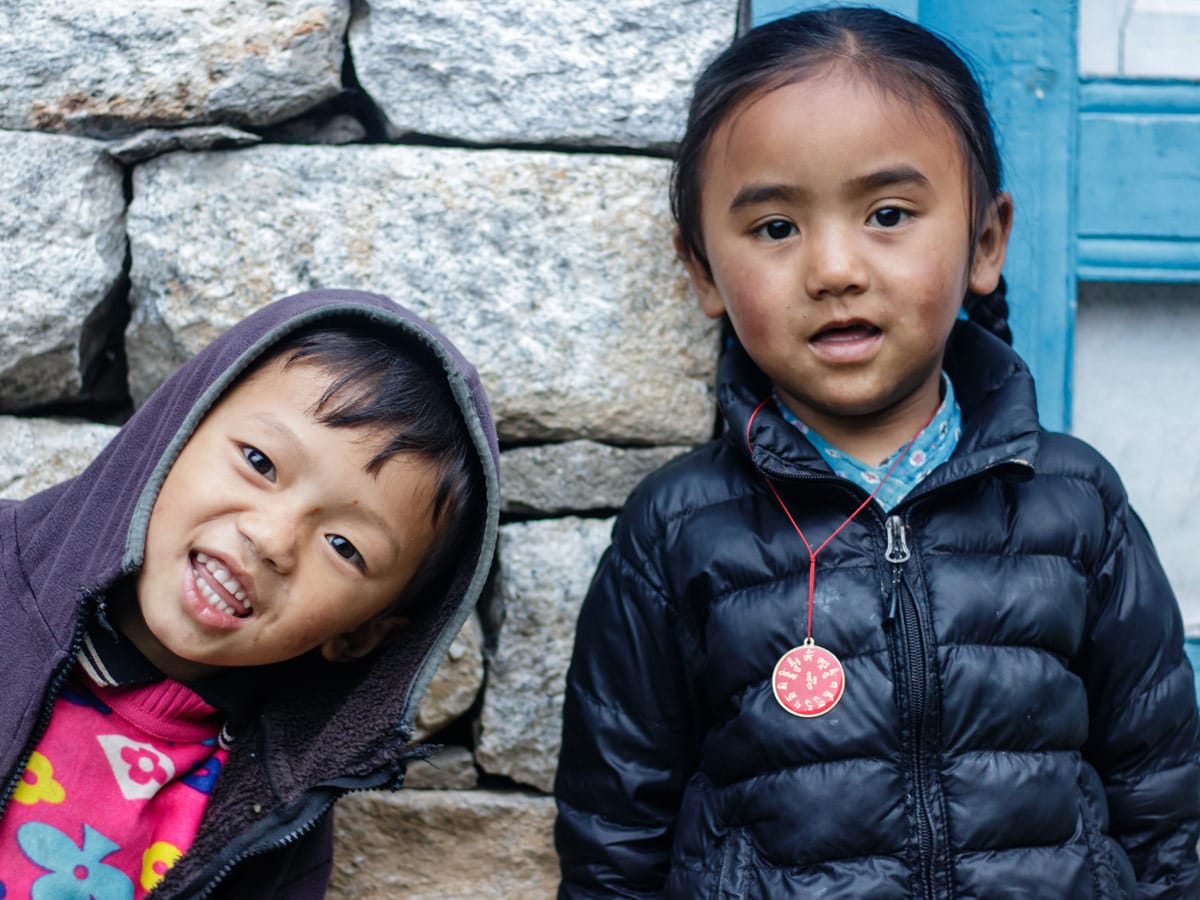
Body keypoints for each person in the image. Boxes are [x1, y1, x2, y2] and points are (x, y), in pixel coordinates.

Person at [554, 8, 1200, 898]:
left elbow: (1164, 805)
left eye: (888, 214)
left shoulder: (1074, 503)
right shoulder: (676, 531)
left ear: (984, 242)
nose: (834, 268)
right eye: (776, 228)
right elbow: (613, 836)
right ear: (701, 269)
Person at [0, 289, 499, 897]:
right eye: (260, 461)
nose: (270, 539)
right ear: (175, 432)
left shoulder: (274, 805)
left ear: (360, 635)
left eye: (344, 547)